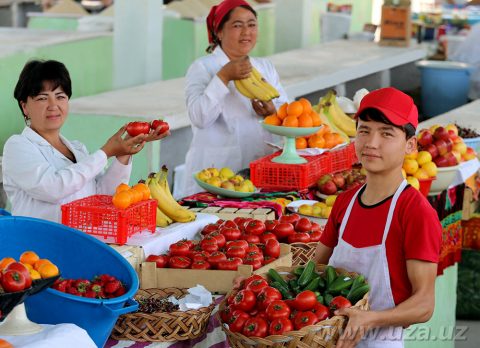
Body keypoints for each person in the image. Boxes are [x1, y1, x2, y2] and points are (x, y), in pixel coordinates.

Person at [314, 87, 442, 348]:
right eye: (364, 131)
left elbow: (424, 304)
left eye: (386, 133)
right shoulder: (344, 203)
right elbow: (313, 270)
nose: (371, 143)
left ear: (410, 145)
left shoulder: (415, 211)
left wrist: (370, 319)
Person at [2, 60, 169, 223]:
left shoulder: (77, 148)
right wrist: (106, 152)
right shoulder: (17, 146)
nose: (53, 105)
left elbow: (103, 195)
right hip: (39, 245)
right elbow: (54, 188)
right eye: (42, 98)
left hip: (83, 240)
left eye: (60, 96)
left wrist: (123, 152)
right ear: (25, 107)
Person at [181, 0, 288, 197]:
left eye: (252, 24)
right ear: (219, 32)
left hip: (259, 173)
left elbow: (287, 113)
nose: (246, 32)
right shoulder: (203, 68)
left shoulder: (264, 67)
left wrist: (272, 111)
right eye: (237, 25)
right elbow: (199, 117)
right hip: (216, 176)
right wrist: (223, 77)